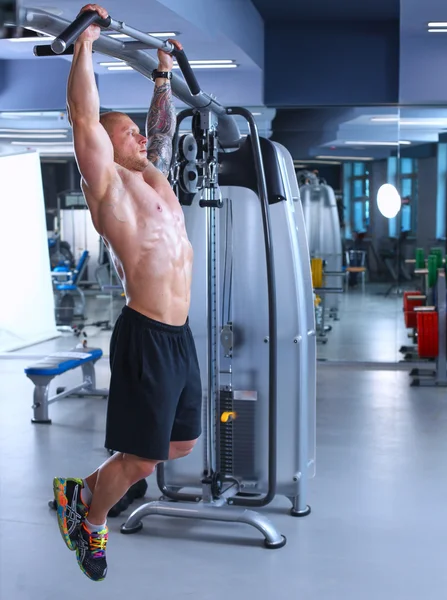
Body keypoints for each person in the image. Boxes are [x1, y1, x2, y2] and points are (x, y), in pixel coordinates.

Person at [53, 3, 202, 582]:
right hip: (145, 334)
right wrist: (84, 44)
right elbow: (85, 120)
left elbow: (159, 131)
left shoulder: (154, 176)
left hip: (180, 334)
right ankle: (90, 522)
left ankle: (80, 492)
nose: (139, 136)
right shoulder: (109, 190)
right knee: (142, 459)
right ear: (107, 151)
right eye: (128, 133)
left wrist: (162, 75)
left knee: (181, 446)